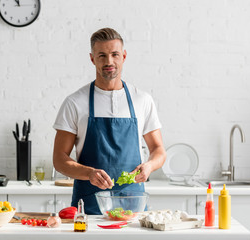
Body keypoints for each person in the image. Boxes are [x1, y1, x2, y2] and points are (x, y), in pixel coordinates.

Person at [52, 28, 166, 214]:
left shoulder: (142, 100)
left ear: (124, 56)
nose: (109, 62)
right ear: (92, 58)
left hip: (133, 208)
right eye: (102, 55)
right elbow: (59, 159)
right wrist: (89, 173)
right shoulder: (75, 102)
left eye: (114, 54)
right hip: (89, 209)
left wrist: (149, 166)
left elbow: (158, 150)